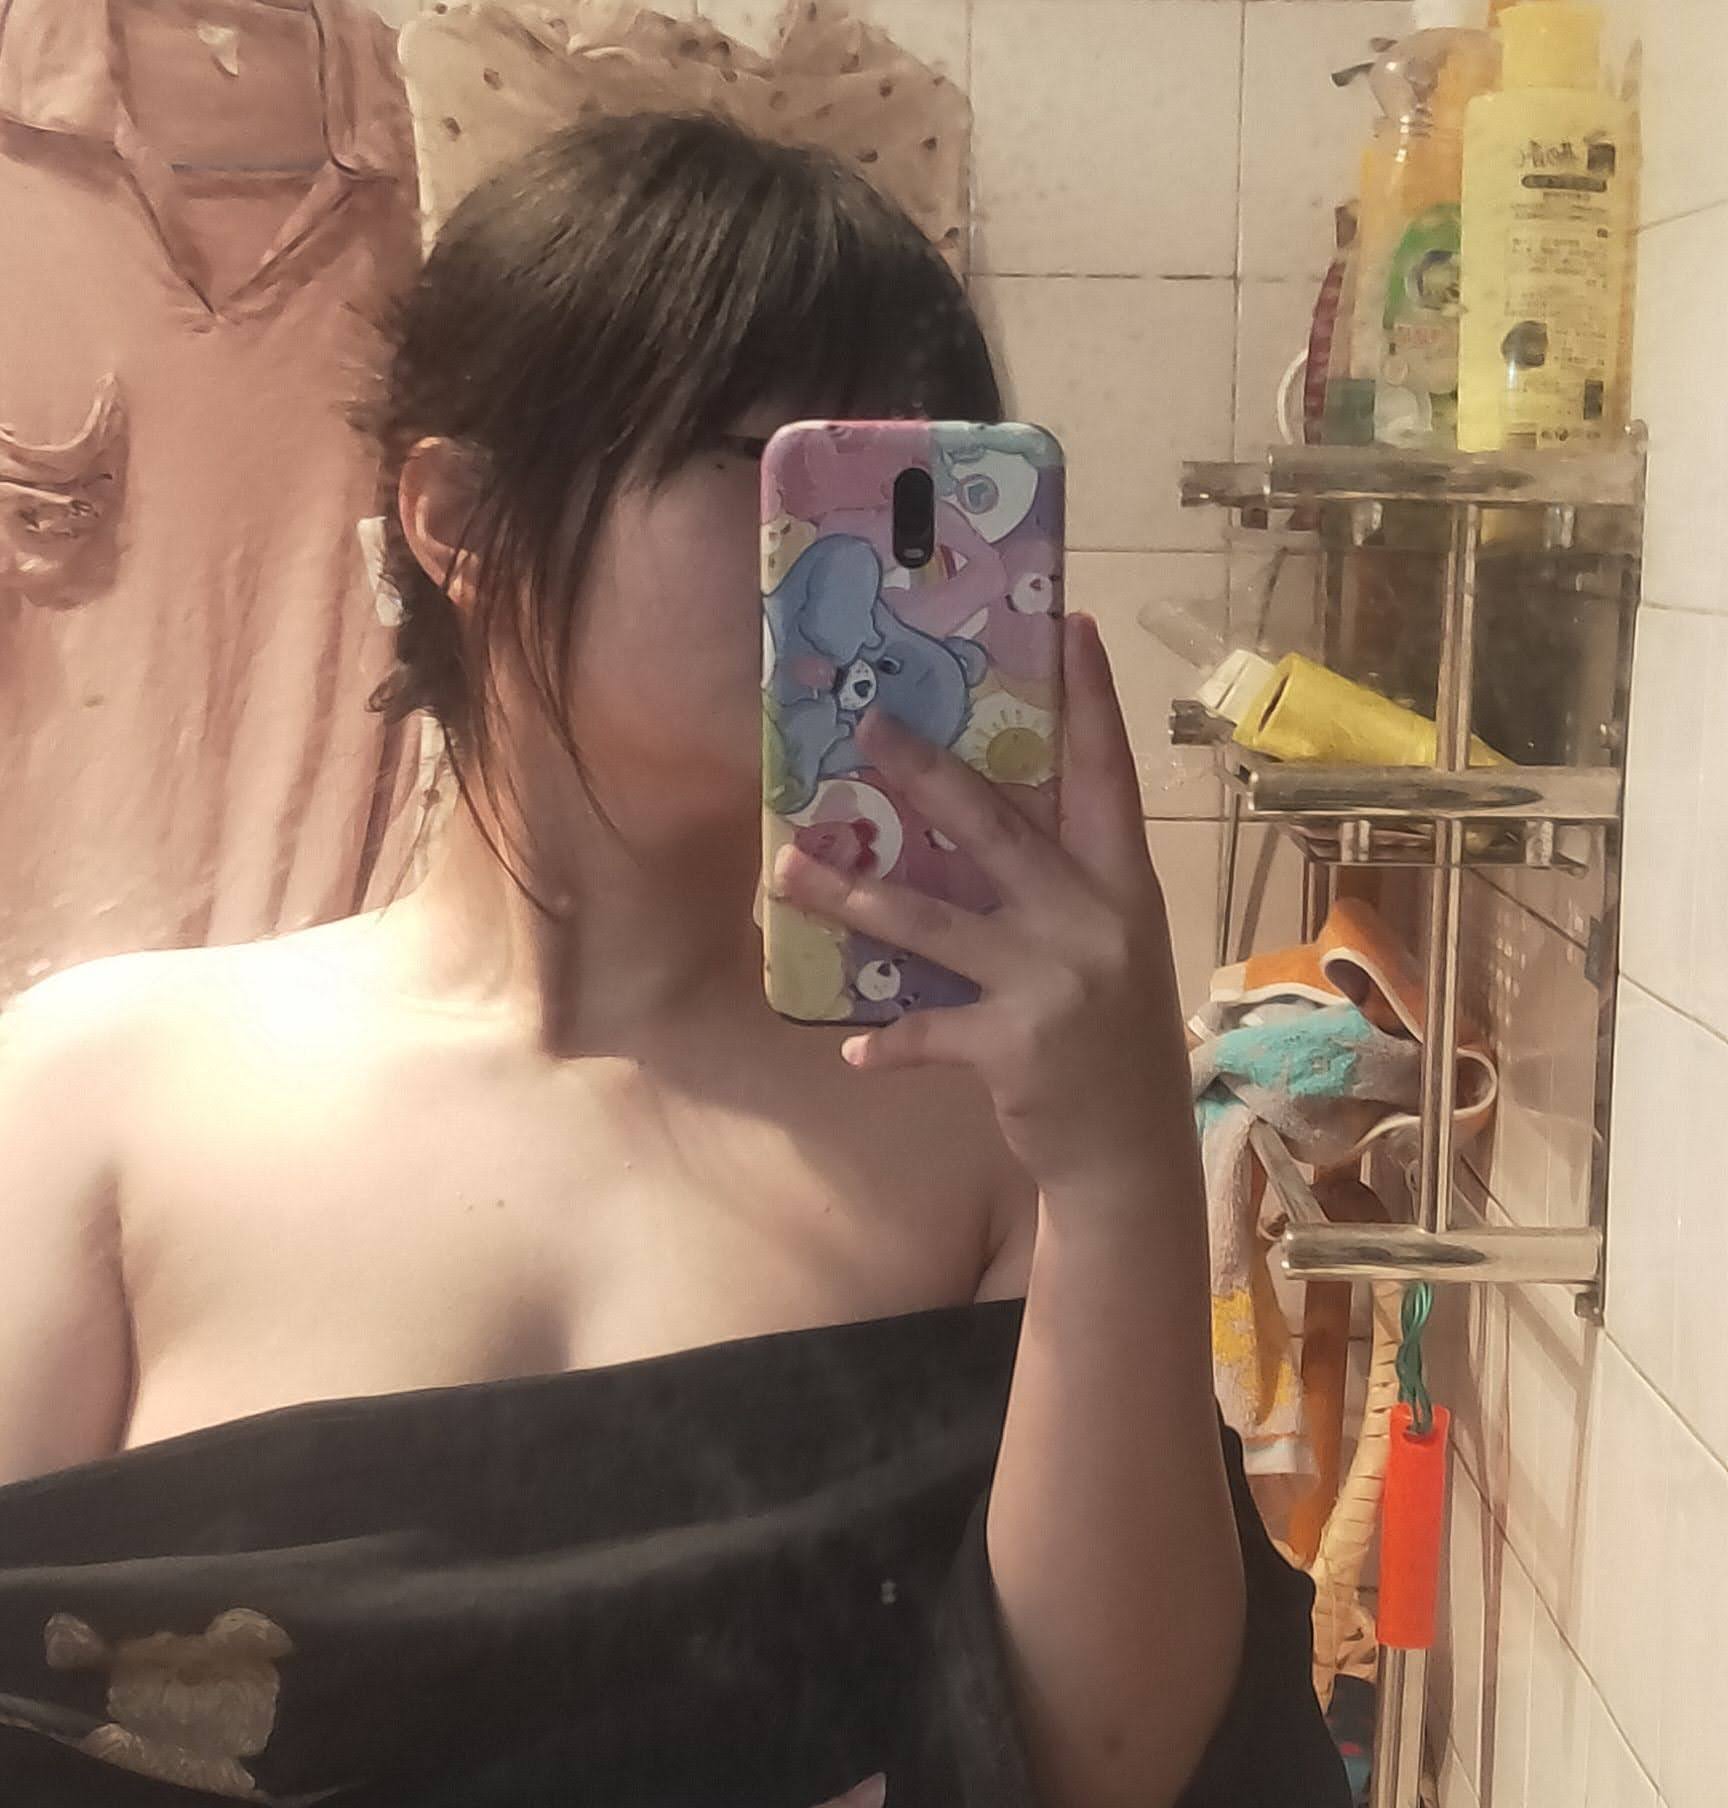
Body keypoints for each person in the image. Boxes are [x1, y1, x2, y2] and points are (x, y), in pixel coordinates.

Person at [0, 114, 1348, 1808]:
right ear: (459, 516)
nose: (869, 571)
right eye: (781, 469)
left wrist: (1128, 1157)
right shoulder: (92, 1104)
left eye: (923, 488)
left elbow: (1110, 1770)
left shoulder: (999, 1138)